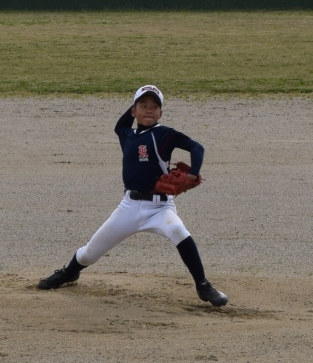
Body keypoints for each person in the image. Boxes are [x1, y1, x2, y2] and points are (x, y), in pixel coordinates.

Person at [37, 85, 228, 307]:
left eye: (154, 106)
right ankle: (69, 273)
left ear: (161, 113)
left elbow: (197, 148)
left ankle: (203, 285)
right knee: (89, 253)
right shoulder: (126, 135)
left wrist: (193, 174)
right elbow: (120, 125)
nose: (149, 110)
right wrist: (134, 109)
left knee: (178, 231)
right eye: (143, 106)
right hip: (129, 208)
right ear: (133, 111)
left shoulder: (164, 134)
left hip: (160, 208)